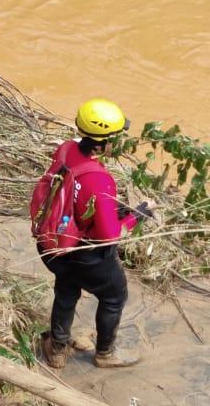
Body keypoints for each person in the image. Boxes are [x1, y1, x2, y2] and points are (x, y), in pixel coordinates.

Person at [30, 97, 145, 371]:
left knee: (67, 287)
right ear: (104, 142)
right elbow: (109, 237)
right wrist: (136, 216)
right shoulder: (101, 180)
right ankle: (105, 354)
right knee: (114, 296)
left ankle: (57, 348)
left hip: (52, 246)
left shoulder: (66, 149)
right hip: (83, 254)